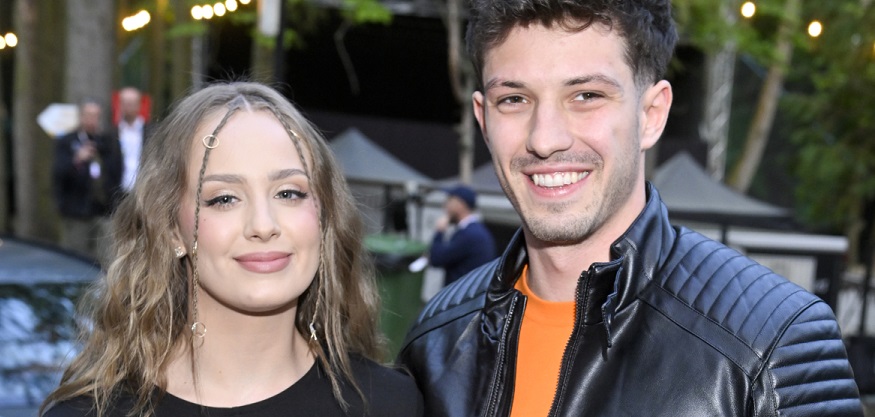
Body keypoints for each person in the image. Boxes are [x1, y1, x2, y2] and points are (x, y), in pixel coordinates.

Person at [397, 1, 863, 416]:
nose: (545, 138)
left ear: (651, 114)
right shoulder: (435, 339)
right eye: (514, 99)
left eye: (586, 96)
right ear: (483, 119)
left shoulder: (771, 343)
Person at [41, 82, 424, 417]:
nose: (263, 224)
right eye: (224, 198)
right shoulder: (88, 413)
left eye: (289, 193)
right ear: (171, 230)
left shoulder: (391, 405)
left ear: (325, 217)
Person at [52, 98, 122, 266]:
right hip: (77, 211)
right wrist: (77, 159)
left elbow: (117, 171)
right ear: (81, 117)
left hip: (103, 210)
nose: (92, 120)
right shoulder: (67, 142)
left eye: (95, 116)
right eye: (88, 115)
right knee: (75, 258)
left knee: (105, 258)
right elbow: (58, 174)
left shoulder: (108, 142)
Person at [427, 185, 496, 286]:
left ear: (460, 205)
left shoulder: (469, 234)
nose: (445, 206)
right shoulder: (474, 231)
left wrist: (440, 231)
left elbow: (436, 259)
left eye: (449, 201)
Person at [110, 86, 151, 207]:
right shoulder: (112, 133)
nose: (128, 107)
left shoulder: (151, 131)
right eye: (125, 103)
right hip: (118, 194)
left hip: (144, 193)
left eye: (131, 103)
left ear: (139, 105)